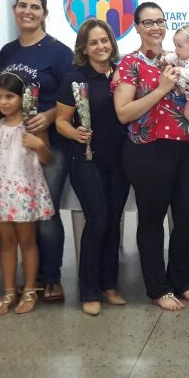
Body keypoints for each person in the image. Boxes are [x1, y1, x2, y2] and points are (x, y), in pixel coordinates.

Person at [113, 2, 189, 311]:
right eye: (148, 22)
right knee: (152, 220)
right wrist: (160, 89)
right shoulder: (129, 63)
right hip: (148, 150)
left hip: (187, 149)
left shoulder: (180, 58)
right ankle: (157, 287)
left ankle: (180, 280)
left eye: (160, 21)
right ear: (136, 26)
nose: (155, 27)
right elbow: (123, 113)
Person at [0, 0, 74, 303]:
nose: (28, 11)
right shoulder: (6, 52)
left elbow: (72, 97)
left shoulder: (59, 53)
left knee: (45, 212)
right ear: (14, 9)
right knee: (21, 213)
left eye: (35, 7)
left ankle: (51, 276)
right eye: (23, 5)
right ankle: (31, 275)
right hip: (13, 147)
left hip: (50, 144)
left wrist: (49, 115)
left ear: (44, 13)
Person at [56, 19, 130, 316]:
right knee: (97, 221)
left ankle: (110, 285)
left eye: (105, 40)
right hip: (86, 160)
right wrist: (75, 133)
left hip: (120, 161)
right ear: (84, 49)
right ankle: (89, 289)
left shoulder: (122, 74)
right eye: (94, 42)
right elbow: (61, 121)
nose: (101, 46)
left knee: (113, 222)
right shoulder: (74, 79)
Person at [0, 73, 54, 316]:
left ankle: (29, 290)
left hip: (24, 194)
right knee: (6, 243)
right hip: (1, 193)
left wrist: (39, 146)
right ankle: (9, 291)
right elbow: (0, 158)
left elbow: (47, 159)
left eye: (9, 96)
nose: (3, 102)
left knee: (27, 242)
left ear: (23, 98)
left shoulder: (32, 126)